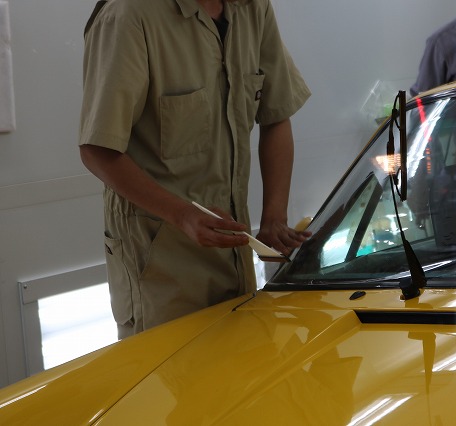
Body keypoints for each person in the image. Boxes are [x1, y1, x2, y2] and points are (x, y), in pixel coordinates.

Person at [79, 0, 311, 338]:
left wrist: (275, 217)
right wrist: (182, 214)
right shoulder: (129, 14)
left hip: (234, 258)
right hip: (159, 271)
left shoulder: (252, 7)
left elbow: (276, 114)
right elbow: (97, 150)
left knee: (238, 362)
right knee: (170, 369)